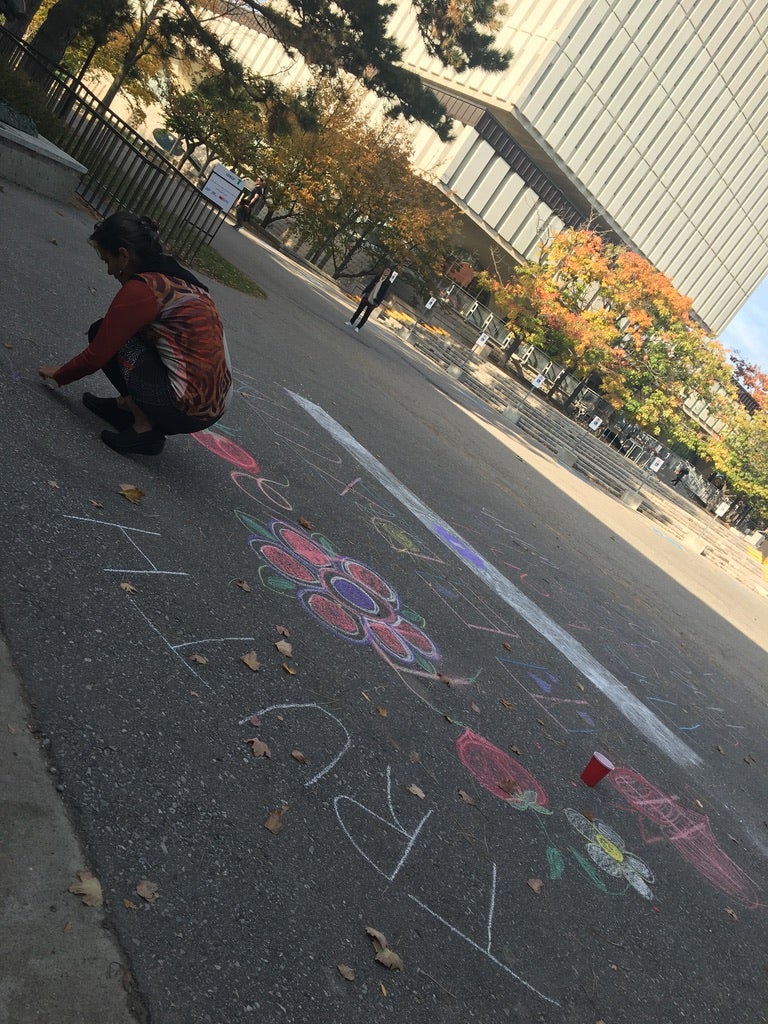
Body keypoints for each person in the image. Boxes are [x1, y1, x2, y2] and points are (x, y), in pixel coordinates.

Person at [38, 212, 233, 456]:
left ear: (124, 255)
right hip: (211, 405)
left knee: (104, 335)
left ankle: (144, 429)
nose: (109, 271)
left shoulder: (144, 288)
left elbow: (96, 356)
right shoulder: (176, 276)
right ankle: (126, 409)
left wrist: (59, 374)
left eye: (107, 260)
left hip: (185, 408)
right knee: (112, 332)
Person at [345, 267, 394, 332]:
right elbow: (370, 285)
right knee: (359, 310)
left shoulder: (388, 282)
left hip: (374, 300)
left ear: (389, 274)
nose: (386, 271)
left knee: (366, 315)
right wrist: (364, 292)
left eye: (388, 271)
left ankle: (358, 327)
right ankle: (351, 322)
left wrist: (378, 303)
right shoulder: (378, 276)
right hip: (368, 296)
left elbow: (383, 294)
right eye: (385, 270)